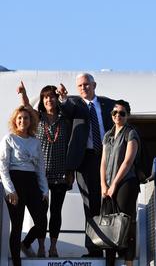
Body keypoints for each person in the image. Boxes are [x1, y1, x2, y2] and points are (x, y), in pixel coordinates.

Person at [59, 73, 115, 257]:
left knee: (110, 201)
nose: (84, 88)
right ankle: (93, 248)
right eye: (80, 86)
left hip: (108, 157)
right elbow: (66, 109)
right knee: (89, 203)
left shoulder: (108, 105)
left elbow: (124, 113)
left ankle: (113, 245)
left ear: (94, 85)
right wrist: (63, 98)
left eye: (86, 84)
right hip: (86, 160)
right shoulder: (75, 105)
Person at [17, 82, 73, 258]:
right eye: (46, 97)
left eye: (52, 96)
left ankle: (53, 247)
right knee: (41, 213)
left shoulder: (65, 118)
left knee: (56, 211)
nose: (49, 99)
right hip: (40, 174)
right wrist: (23, 94)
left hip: (61, 172)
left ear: (56, 99)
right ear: (42, 100)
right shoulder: (38, 117)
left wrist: (65, 96)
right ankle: (40, 245)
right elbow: (26, 107)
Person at [0, 106, 49, 266]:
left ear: (30, 121)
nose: (23, 120)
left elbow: (40, 167)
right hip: (15, 182)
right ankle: (16, 262)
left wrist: (44, 189)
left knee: (42, 221)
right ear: (15, 120)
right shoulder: (9, 138)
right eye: (19, 118)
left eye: (26, 118)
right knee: (17, 225)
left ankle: (25, 243)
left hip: (32, 182)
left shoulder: (35, 141)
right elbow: (3, 167)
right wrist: (10, 190)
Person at [100, 100, 139, 266]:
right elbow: (102, 162)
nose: (117, 116)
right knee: (109, 222)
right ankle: (109, 261)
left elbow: (127, 162)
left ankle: (128, 260)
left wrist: (114, 184)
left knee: (125, 221)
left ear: (127, 115)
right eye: (115, 113)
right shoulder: (107, 135)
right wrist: (103, 184)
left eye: (122, 113)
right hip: (108, 185)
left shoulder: (131, 133)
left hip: (125, 183)